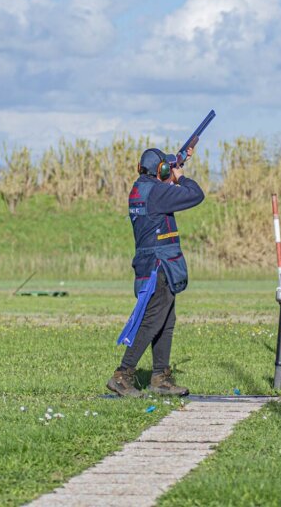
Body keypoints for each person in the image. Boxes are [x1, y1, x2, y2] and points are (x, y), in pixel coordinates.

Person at [108, 147, 204, 397]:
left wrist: (174, 164)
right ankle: (123, 375)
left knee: (165, 322)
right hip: (159, 268)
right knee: (152, 322)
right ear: (160, 170)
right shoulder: (159, 193)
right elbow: (195, 194)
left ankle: (160, 377)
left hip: (149, 265)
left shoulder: (139, 190)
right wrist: (180, 176)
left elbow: (161, 187)